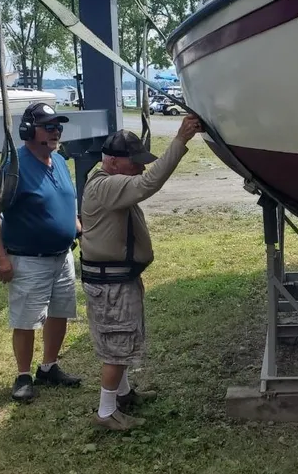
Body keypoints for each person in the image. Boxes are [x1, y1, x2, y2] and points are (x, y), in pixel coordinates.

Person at [79, 115, 202, 431]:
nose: (141, 167)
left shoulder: (112, 183)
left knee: (123, 336)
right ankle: (106, 413)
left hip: (118, 278)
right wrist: (179, 140)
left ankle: (123, 394)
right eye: (134, 162)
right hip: (110, 283)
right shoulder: (105, 185)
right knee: (116, 343)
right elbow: (148, 184)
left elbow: (142, 181)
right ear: (113, 162)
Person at [0, 102, 83, 402]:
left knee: (60, 312)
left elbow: (67, 196)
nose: (56, 132)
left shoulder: (60, 160)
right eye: (49, 126)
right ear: (28, 130)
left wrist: (74, 221)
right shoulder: (13, 166)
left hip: (62, 255)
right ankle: (23, 375)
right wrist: (0, 257)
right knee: (26, 320)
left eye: (58, 126)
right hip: (28, 259)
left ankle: (49, 366)